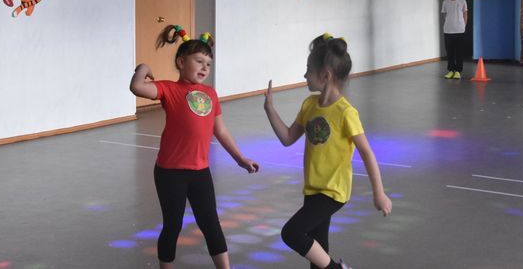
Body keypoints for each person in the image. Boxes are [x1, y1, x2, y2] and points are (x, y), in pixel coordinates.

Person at [129, 24, 260, 269]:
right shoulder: (169, 89)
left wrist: (240, 158)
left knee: (211, 223)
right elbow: (137, 87)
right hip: (170, 172)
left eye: (208, 64)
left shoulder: (210, 93)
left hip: (200, 172)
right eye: (199, 61)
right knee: (173, 225)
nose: (204, 67)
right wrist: (143, 68)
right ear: (181, 62)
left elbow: (220, 130)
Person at [263, 33, 392, 269]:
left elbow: (366, 153)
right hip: (313, 187)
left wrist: (379, 193)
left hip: (333, 191)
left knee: (292, 233)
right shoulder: (309, 105)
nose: (304, 76)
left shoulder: (346, 112)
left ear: (325, 76)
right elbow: (288, 137)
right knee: (318, 251)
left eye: (308, 71)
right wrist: (270, 110)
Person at [441, 0, 468, 79]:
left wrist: (463, 26)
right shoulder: (445, 2)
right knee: (450, 52)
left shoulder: (463, 2)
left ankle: (458, 71)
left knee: (459, 52)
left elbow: (465, 14)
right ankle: (451, 70)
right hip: (448, 31)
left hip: (460, 31)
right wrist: (450, 23)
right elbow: (444, 15)